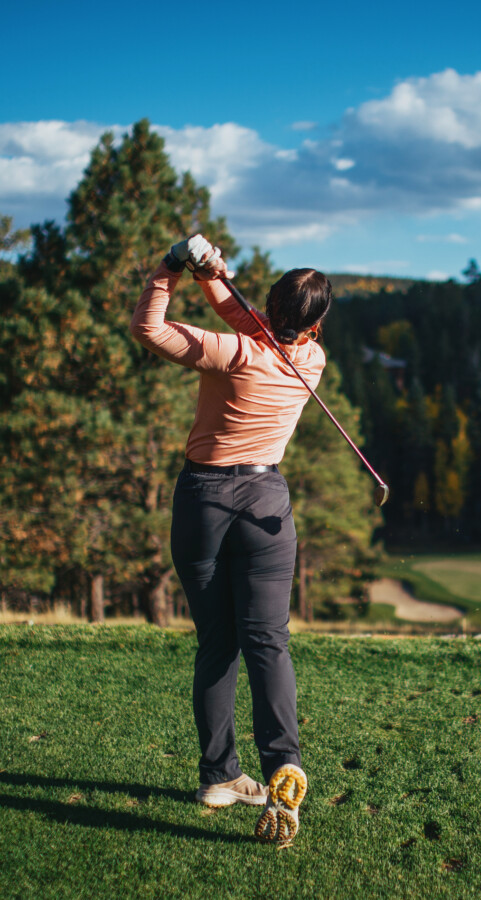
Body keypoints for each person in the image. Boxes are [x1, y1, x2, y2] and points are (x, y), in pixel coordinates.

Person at [130, 234, 331, 846]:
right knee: (268, 640)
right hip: (266, 502)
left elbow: (149, 327)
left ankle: (220, 775)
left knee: (217, 643)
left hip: (205, 500)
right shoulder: (311, 362)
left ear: (270, 310)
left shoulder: (229, 352)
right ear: (316, 326)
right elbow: (255, 322)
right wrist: (213, 274)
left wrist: (171, 267)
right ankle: (281, 765)